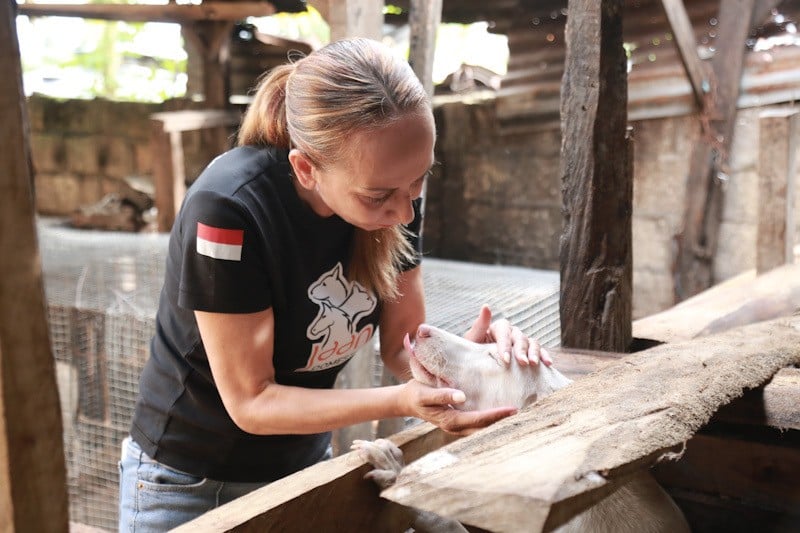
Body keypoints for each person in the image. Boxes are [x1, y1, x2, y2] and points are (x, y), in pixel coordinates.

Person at [118, 37, 551, 532]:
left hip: (303, 462)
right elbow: (253, 402)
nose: (406, 211)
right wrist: (400, 402)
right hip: (196, 481)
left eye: (420, 182)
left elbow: (401, 346)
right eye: (382, 196)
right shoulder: (228, 212)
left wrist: (466, 360)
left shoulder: (393, 188)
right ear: (306, 168)